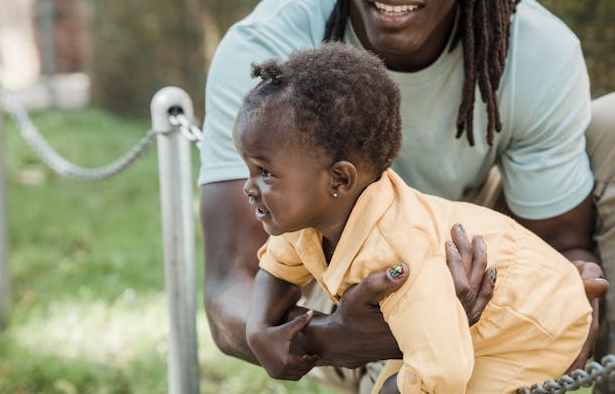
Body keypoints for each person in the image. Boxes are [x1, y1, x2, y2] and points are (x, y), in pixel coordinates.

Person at [199, 0, 615, 392]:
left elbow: (562, 239)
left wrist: (563, 290)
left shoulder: (533, 47)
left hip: (477, 249)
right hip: (346, 274)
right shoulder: (270, 55)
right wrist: (332, 338)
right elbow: (232, 284)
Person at [236, 43, 592, 393]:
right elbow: (278, 267)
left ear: (340, 179)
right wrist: (259, 330)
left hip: (533, 326)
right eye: (249, 169)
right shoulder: (311, 220)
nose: (249, 188)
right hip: (466, 326)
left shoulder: (399, 255)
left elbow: (444, 373)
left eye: (265, 173)